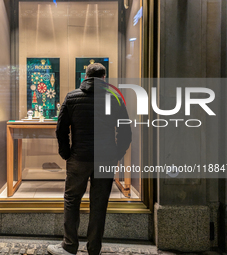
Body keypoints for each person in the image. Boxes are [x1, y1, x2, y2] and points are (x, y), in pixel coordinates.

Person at [47, 63, 132, 255]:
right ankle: (94, 249)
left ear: (85, 77)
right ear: (104, 78)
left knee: (72, 199)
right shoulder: (115, 98)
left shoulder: (72, 97)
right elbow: (126, 130)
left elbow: (61, 129)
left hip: (79, 157)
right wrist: (117, 153)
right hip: (105, 158)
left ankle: (69, 245)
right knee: (99, 203)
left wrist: (66, 153)